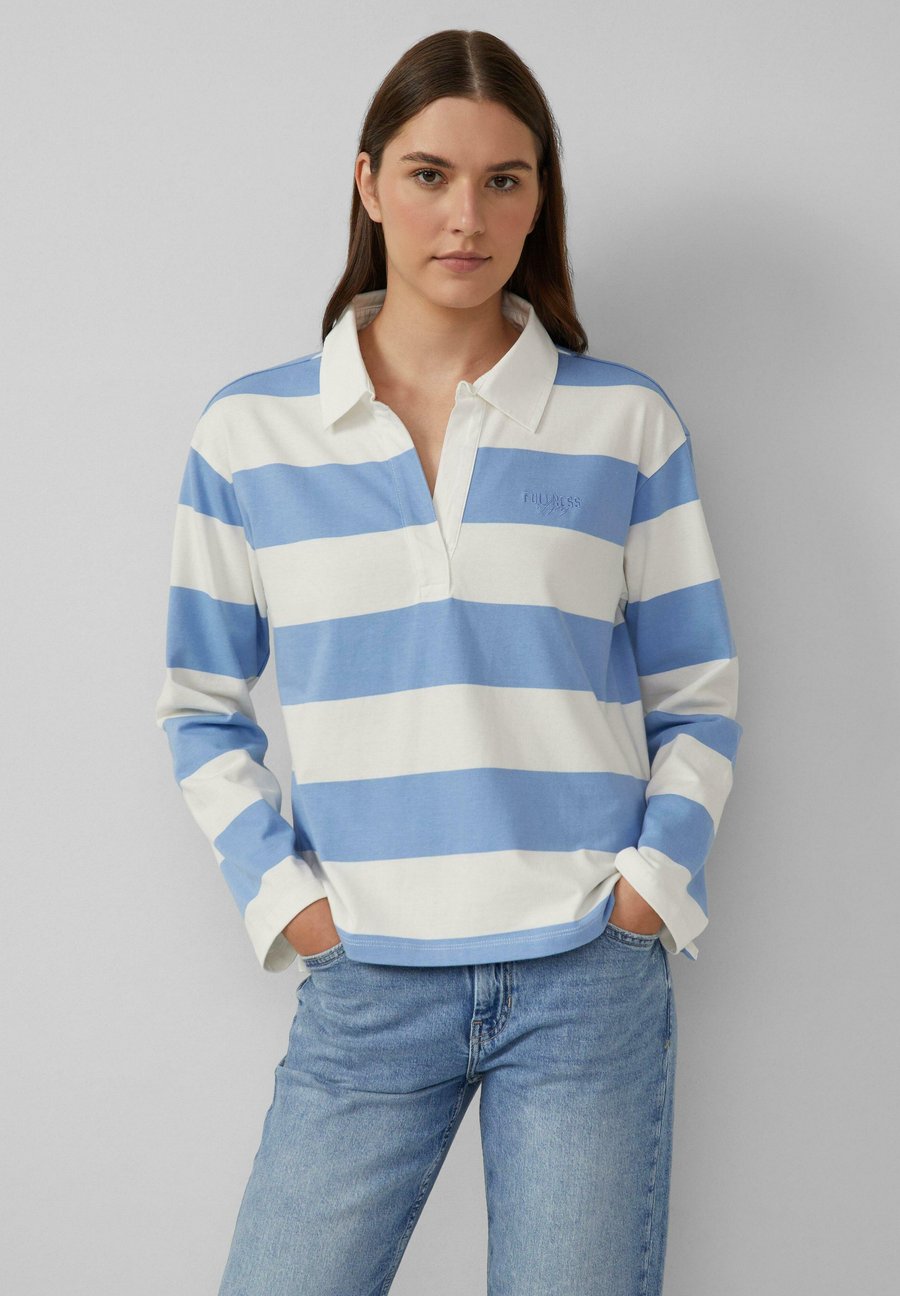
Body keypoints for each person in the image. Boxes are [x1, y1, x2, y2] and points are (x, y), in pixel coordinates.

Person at [154, 28, 742, 1296]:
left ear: (539, 200)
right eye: (430, 175)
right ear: (369, 184)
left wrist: (648, 889)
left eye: (503, 180)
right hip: (366, 979)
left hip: (586, 978)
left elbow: (698, 692)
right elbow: (200, 705)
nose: (466, 217)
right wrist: (289, 905)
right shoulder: (250, 434)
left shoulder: (623, 423)